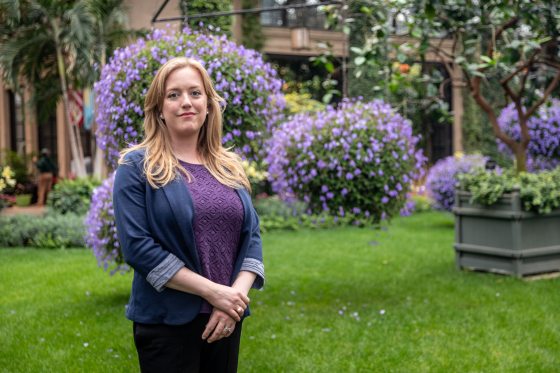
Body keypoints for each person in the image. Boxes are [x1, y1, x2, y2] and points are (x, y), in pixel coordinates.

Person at [112, 57, 264, 373]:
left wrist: (233, 300)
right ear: (158, 109)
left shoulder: (228, 167)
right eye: (174, 95)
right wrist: (214, 293)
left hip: (226, 320)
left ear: (208, 105)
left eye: (195, 93)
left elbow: (252, 238)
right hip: (167, 322)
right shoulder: (136, 167)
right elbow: (138, 248)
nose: (186, 103)